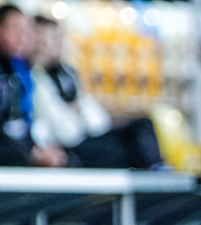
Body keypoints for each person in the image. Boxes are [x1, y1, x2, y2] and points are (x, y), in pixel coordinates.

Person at [31, 16, 162, 169]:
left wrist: (78, 112)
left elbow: (97, 117)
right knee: (131, 147)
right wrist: (77, 115)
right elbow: (64, 132)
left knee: (142, 125)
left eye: (59, 38)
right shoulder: (36, 77)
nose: (57, 44)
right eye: (49, 39)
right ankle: (156, 173)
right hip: (72, 146)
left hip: (88, 135)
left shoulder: (67, 72)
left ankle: (156, 170)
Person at [0, 5, 64, 167]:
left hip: (21, 144)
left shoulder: (20, 69)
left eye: (26, 30)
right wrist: (32, 153)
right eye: (16, 29)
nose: (23, 36)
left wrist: (40, 146)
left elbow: (26, 121)